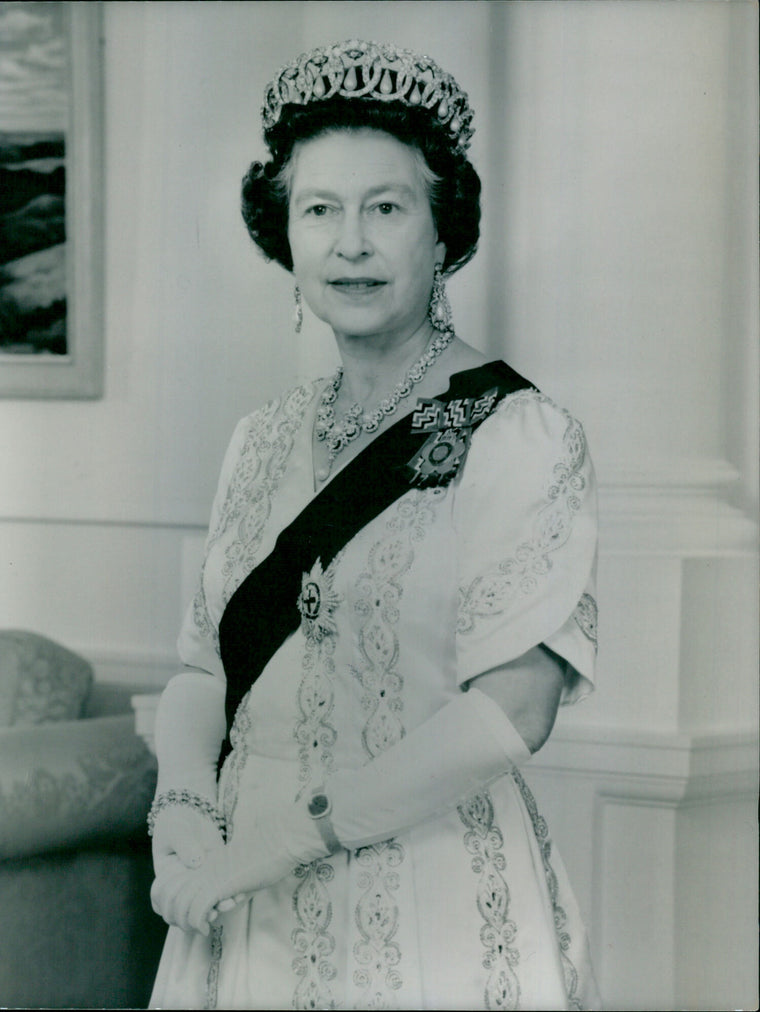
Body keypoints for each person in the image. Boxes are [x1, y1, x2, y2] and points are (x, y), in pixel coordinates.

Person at [147, 39, 600, 1011]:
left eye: (385, 209)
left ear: (442, 234)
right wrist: (180, 806)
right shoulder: (258, 441)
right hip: (240, 898)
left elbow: (514, 706)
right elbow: (200, 670)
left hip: (428, 888)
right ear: (286, 238)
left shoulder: (518, 433)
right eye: (319, 211)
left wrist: (277, 845)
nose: (349, 242)